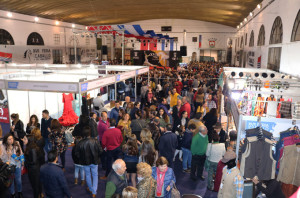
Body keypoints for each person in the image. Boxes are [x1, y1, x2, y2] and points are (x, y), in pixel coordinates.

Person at [75, 126, 103, 197]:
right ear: (90, 133)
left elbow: (77, 153)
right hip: (94, 161)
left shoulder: (80, 142)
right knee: (95, 175)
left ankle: (91, 189)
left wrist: (82, 157)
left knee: (87, 175)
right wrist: (96, 156)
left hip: (85, 162)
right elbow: (100, 151)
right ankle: (94, 191)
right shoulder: (95, 141)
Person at [0, 133, 24, 198]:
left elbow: (21, 153)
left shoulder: (17, 143)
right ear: (6, 140)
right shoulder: (3, 146)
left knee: (18, 180)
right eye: (9, 139)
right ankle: (12, 193)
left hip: (17, 165)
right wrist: (7, 154)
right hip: (9, 167)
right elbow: (2, 158)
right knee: (11, 181)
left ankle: (19, 191)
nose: (11, 140)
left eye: (12, 138)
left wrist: (21, 160)